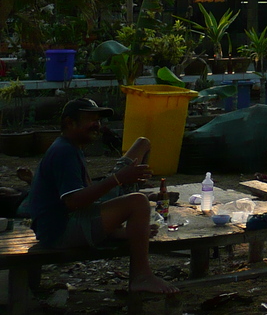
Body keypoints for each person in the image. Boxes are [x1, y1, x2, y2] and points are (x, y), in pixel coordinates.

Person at [25, 98, 177, 295]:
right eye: (90, 119)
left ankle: (121, 230)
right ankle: (141, 277)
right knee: (138, 202)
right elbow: (73, 202)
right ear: (70, 123)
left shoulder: (71, 147)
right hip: (59, 231)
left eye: (98, 120)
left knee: (141, 147)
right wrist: (117, 179)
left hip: (65, 222)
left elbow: (87, 195)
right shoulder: (63, 152)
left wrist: (122, 185)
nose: (97, 125)